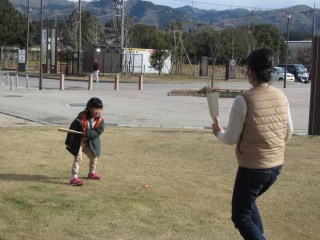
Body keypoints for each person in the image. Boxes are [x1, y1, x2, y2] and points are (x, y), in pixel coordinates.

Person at [211, 48, 293, 240]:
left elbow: (231, 138)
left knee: (241, 215)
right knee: (249, 203)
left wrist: (218, 132)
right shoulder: (281, 96)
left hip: (252, 169)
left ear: (250, 71)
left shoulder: (243, 100)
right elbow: (288, 132)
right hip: (276, 167)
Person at [65, 97, 105, 186]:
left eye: (100, 109)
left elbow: (98, 132)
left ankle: (91, 173)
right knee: (78, 159)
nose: (98, 111)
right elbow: (72, 131)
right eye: (96, 109)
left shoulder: (100, 121)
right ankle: (74, 178)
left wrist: (87, 133)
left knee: (94, 157)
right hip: (78, 142)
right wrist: (69, 143)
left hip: (89, 142)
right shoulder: (80, 119)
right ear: (90, 108)